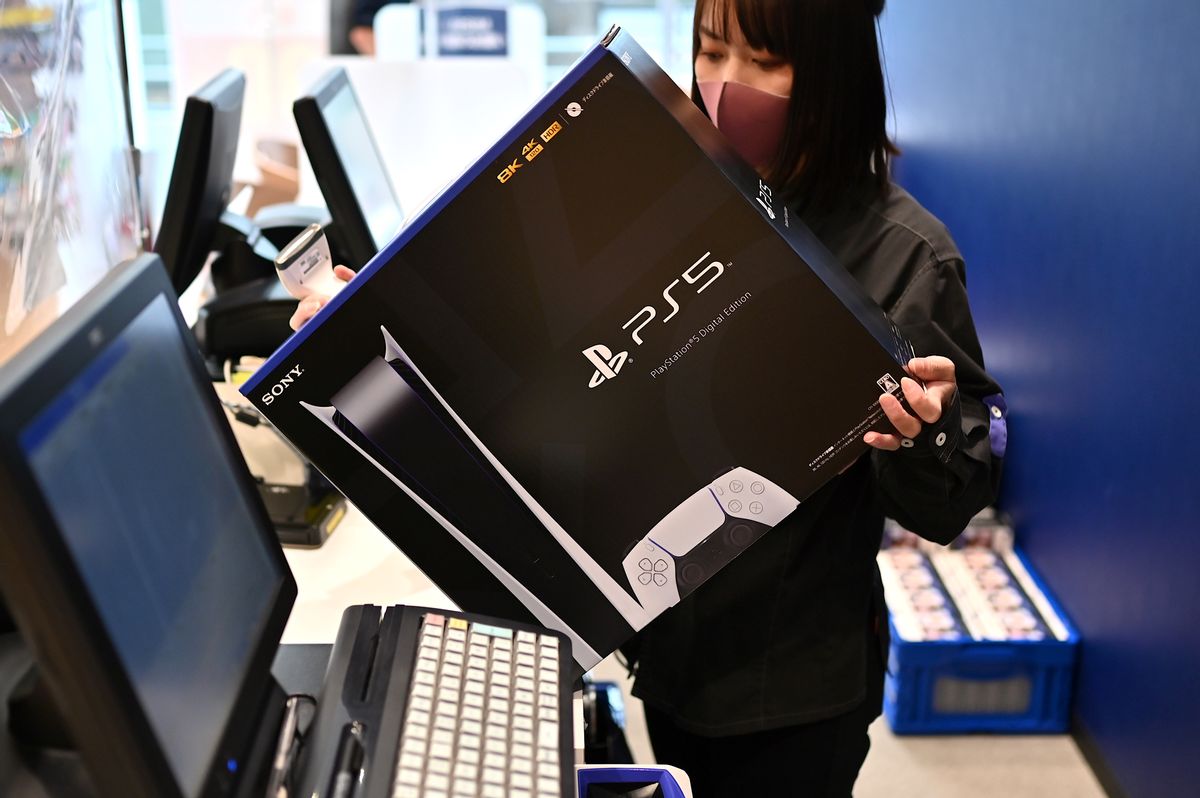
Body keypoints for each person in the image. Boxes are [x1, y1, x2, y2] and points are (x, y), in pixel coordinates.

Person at [293, 1, 1005, 794]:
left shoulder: (906, 255)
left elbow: (951, 504)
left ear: (835, 74)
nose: (728, 85)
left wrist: (926, 432)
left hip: (792, 693)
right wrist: (363, 329)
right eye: (711, 50)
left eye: (767, 61)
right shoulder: (653, 189)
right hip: (662, 654)